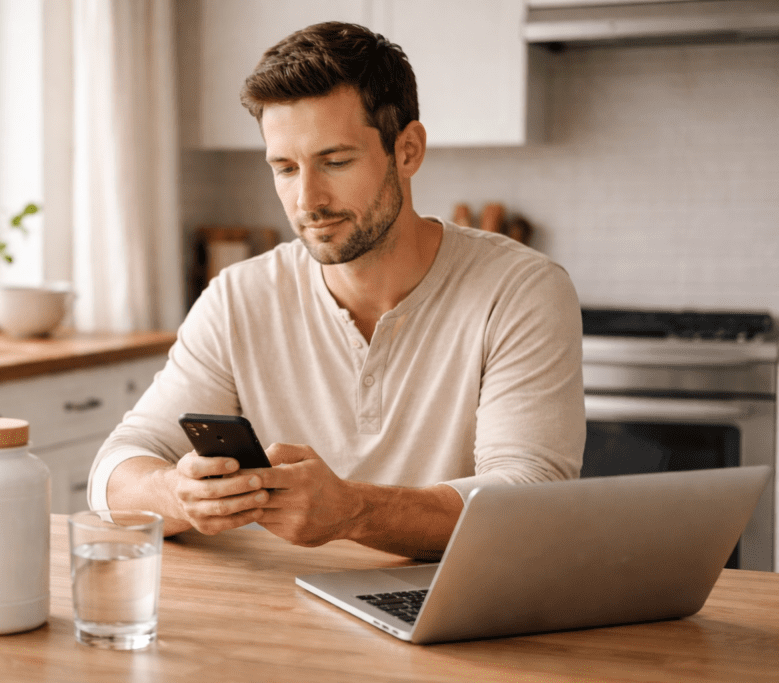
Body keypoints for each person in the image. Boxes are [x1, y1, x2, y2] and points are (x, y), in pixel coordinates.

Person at [88, 21, 585, 561]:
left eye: (335, 162)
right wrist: (180, 496)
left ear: (408, 150)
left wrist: (353, 511)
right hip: (285, 615)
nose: (307, 200)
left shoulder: (521, 291)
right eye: (284, 167)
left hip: (457, 617)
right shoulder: (238, 297)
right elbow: (115, 471)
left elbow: (531, 501)